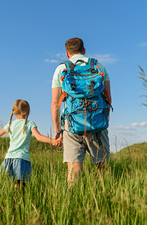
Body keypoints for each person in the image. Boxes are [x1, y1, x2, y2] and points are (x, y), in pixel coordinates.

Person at [51, 37, 112, 185]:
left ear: (67, 53)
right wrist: (103, 122)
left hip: (72, 124)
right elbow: (108, 98)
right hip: (97, 120)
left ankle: (72, 203)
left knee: (74, 170)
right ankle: (107, 199)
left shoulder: (61, 69)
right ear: (84, 50)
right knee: (102, 168)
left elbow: (55, 103)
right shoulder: (99, 66)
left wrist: (57, 131)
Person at [0, 99, 60, 188]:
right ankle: (18, 201)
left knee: (1, 184)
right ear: (27, 111)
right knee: (20, 186)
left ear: (14, 111)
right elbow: (39, 137)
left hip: (9, 159)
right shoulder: (30, 124)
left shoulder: (10, 124)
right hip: (22, 159)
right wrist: (54, 141)